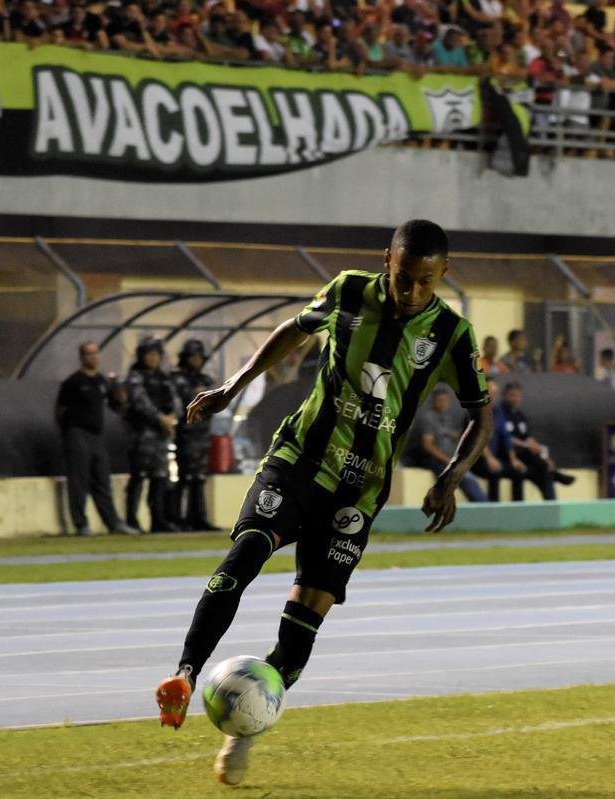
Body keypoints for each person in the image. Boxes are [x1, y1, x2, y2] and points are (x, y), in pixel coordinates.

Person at [154, 220, 493, 786]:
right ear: (387, 261)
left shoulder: (453, 334)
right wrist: (231, 388)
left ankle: (244, 729)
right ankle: (184, 676)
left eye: (426, 282)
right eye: (404, 278)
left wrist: (451, 476)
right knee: (245, 555)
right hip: (299, 460)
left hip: (359, 490)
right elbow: (293, 330)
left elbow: (481, 413)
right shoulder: (348, 290)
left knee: (301, 628)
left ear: (443, 274)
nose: (412, 292)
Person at [56, 341, 137, 536]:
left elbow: (116, 406)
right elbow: (59, 411)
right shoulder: (73, 382)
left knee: (102, 479)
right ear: (81, 357)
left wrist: (120, 396)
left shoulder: (101, 381)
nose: (93, 357)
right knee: (79, 480)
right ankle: (81, 524)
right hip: (77, 433)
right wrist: (68, 433)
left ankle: (113, 523)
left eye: (95, 353)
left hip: (97, 436)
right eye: (88, 353)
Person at [124, 337, 180, 533]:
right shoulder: (136, 376)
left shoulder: (164, 378)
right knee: (138, 476)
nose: (153, 358)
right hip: (141, 434)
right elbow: (140, 401)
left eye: (156, 354)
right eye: (149, 354)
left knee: (160, 477)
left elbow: (176, 401)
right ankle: (131, 520)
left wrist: (172, 418)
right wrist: (160, 418)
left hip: (161, 435)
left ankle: (158, 520)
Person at [172, 339, 222, 531]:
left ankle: (199, 518)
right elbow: (177, 405)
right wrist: (194, 395)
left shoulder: (206, 380)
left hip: (202, 435)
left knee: (199, 478)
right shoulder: (177, 379)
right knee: (185, 477)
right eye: (193, 356)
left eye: (199, 357)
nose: (197, 360)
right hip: (185, 435)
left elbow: (217, 402)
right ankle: (179, 519)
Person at [407, 388, 491, 502]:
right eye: (440, 400)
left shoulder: (446, 418)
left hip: (450, 458)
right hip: (434, 460)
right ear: (433, 401)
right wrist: (449, 460)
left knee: (471, 478)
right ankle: (484, 506)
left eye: (445, 400)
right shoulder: (428, 418)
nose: (443, 403)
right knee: (466, 478)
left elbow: (450, 435)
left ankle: (484, 505)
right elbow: (427, 445)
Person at [496, 382, 574, 501]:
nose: (515, 399)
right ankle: (555, 475)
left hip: (525, 455)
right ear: (504, 395)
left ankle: (551, 504)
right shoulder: (499, 413)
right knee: (531, 469)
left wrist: (543, 455)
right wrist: (526, 445)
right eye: (512, 395)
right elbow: (505, 437)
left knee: (544, 469)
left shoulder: (520, 416)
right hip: (507, 454)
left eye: (518, 395)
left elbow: (528, 437)